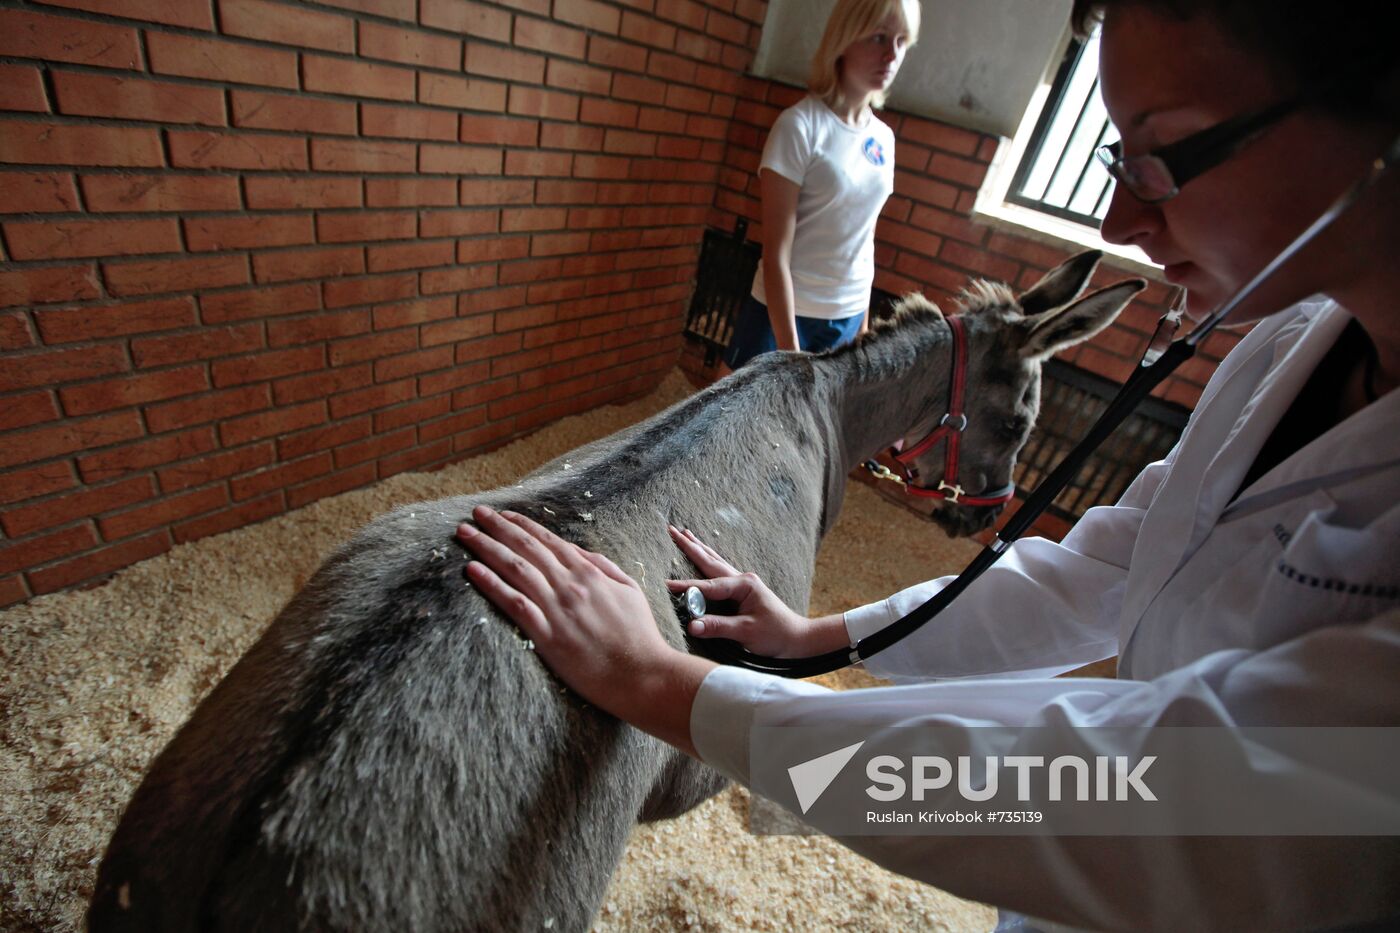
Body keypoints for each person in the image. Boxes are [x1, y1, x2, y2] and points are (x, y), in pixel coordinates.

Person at [455, 1, 1400, 929]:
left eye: (1161, 160)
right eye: (1118, 162)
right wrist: (820, 640)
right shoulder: (1288, 344)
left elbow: (1151, 800)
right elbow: (1102, 569)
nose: (1117, 221)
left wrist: (665, 688)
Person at [722, 0, 920, 370]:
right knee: (732, 420)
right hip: (781, 310)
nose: (891, 55)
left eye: (901, 41)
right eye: (878, 38)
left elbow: (865, 239)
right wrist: (790, 355)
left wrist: (863, 326)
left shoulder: (884, 140)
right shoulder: (799, 127)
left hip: (844, 314)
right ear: (843, 40)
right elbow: (776, 254)